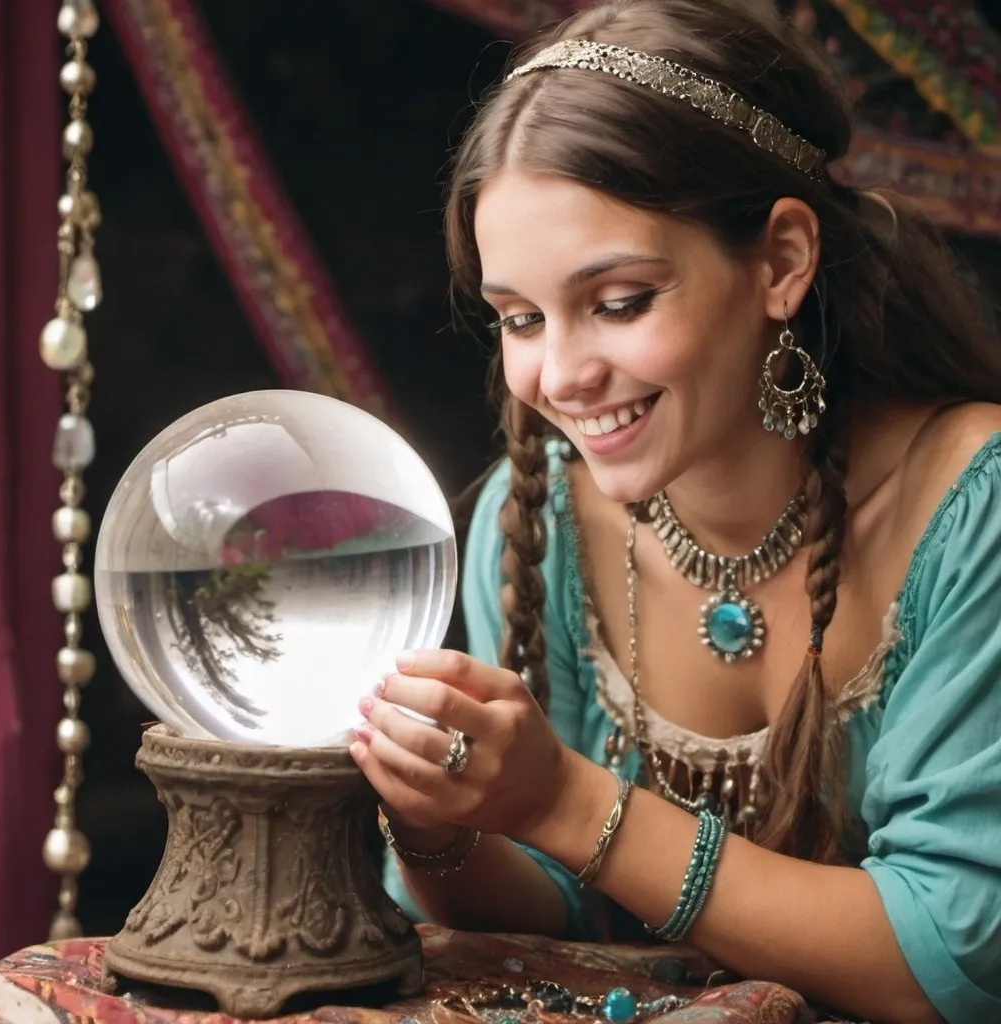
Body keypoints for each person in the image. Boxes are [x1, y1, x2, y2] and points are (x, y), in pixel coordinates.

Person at [348, 2, 1001, 1021]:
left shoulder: (970, 512)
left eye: (617, 301)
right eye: (519, 317)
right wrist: (439, 821)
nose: (560, 375)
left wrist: (567, 799)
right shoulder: (539, 531)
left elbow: (954, 955)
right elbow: (542, 919)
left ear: (781, 262)